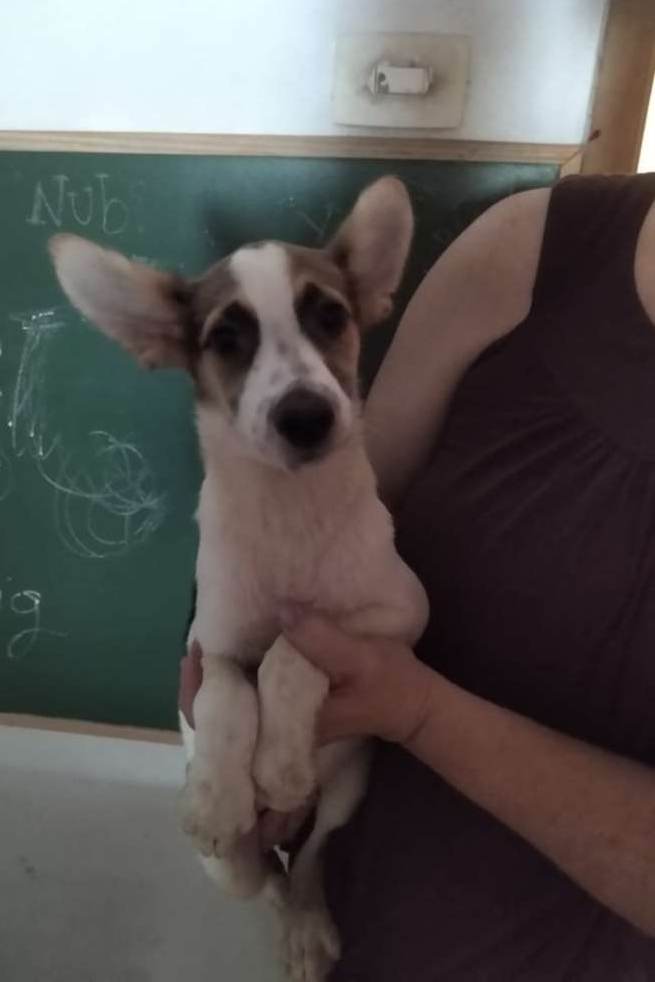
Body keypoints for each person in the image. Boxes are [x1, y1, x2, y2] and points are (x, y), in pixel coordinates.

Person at [180, 173, 655, 980]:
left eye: (326, 320)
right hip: (369, 913)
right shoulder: (530, 248)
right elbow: (336, 505)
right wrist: (229, 708)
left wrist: (415, 711)